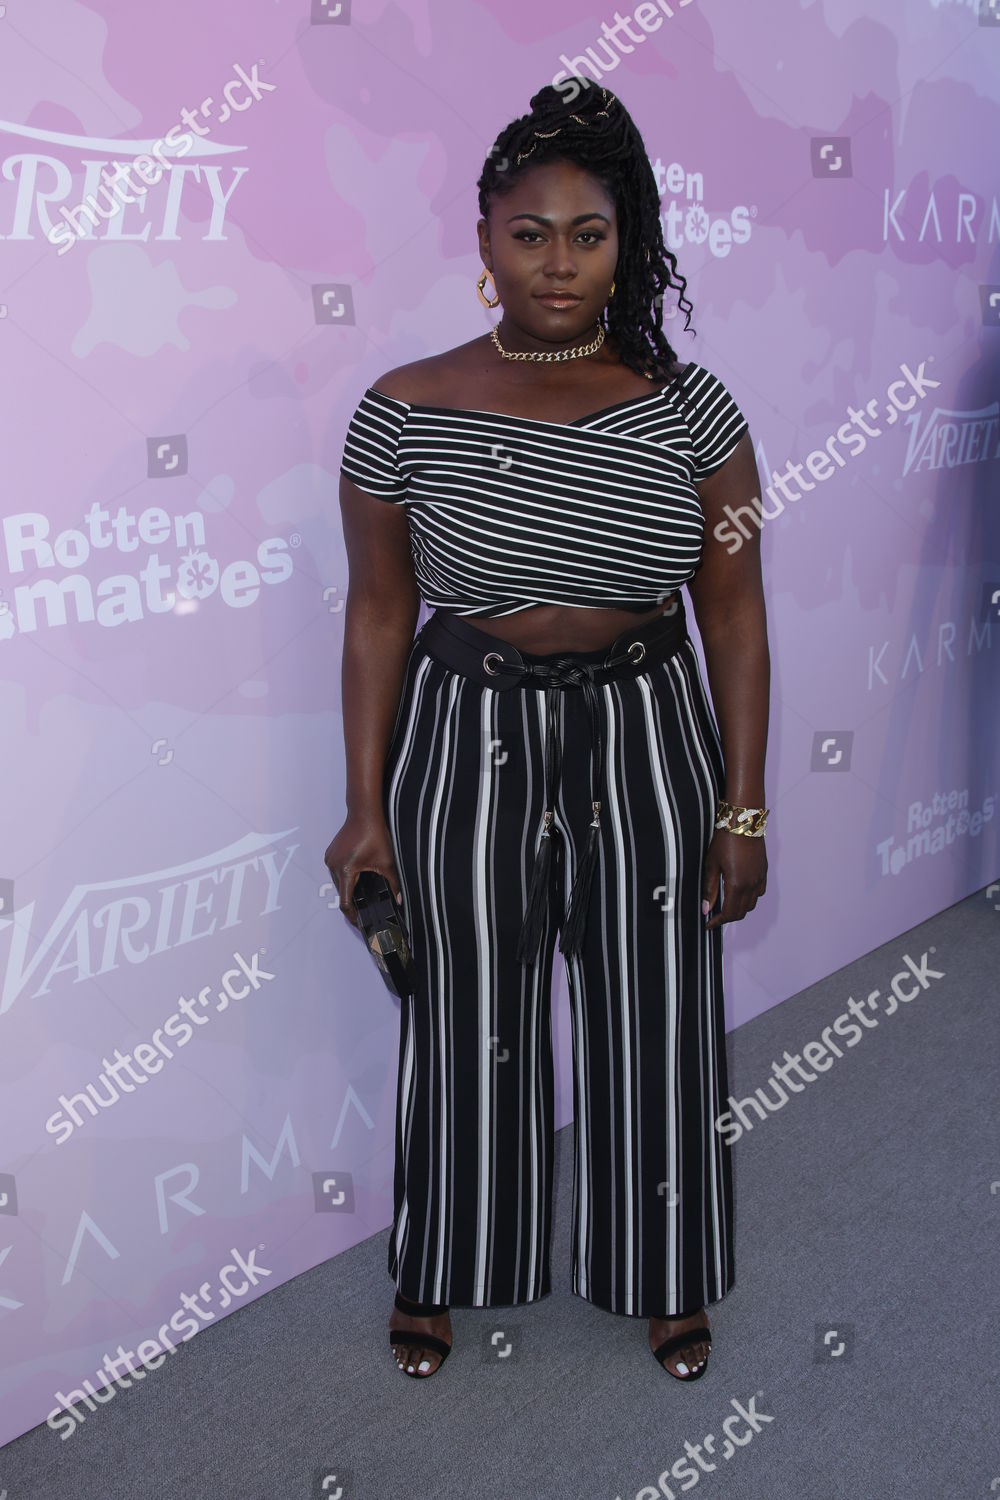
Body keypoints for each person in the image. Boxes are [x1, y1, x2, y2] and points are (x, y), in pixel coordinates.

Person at [325, 81, 769, 1384]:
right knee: (466, 1008)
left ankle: (665, 1267)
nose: (560, 262)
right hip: (467, 732)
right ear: (483, 243)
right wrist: (365, 806)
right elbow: (374, 616)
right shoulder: (402, 408)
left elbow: (734, 616)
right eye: (531, 234)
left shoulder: (697, 412)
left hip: (648, 727)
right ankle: (446, 1264)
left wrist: (740, 806)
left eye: (589, 232)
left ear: (626, 240)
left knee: (659, 1010)